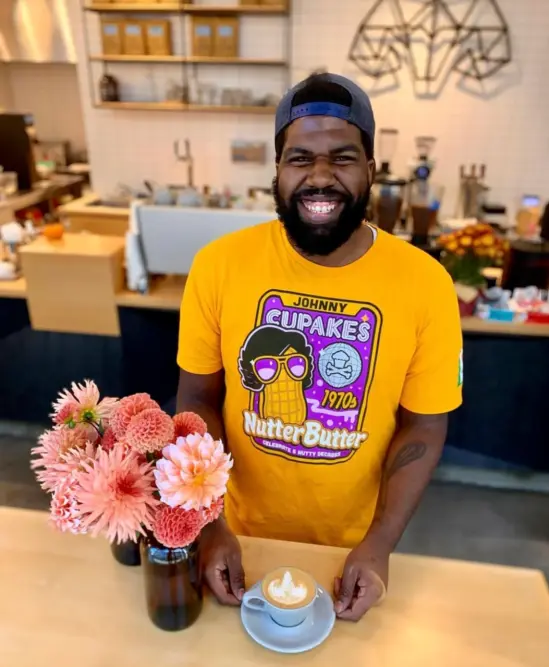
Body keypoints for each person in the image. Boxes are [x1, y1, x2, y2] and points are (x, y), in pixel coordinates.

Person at [176, 73, 462, 621]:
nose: (321, 176)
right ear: (278, 170)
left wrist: (380, 544)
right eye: (301, 157)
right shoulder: (219, 265)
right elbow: (196, 400)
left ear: (372, 170)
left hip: (348, 550)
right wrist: (208, 525)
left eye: (343, 157)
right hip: (235, 540)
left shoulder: (426, 283)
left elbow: (425, 424)